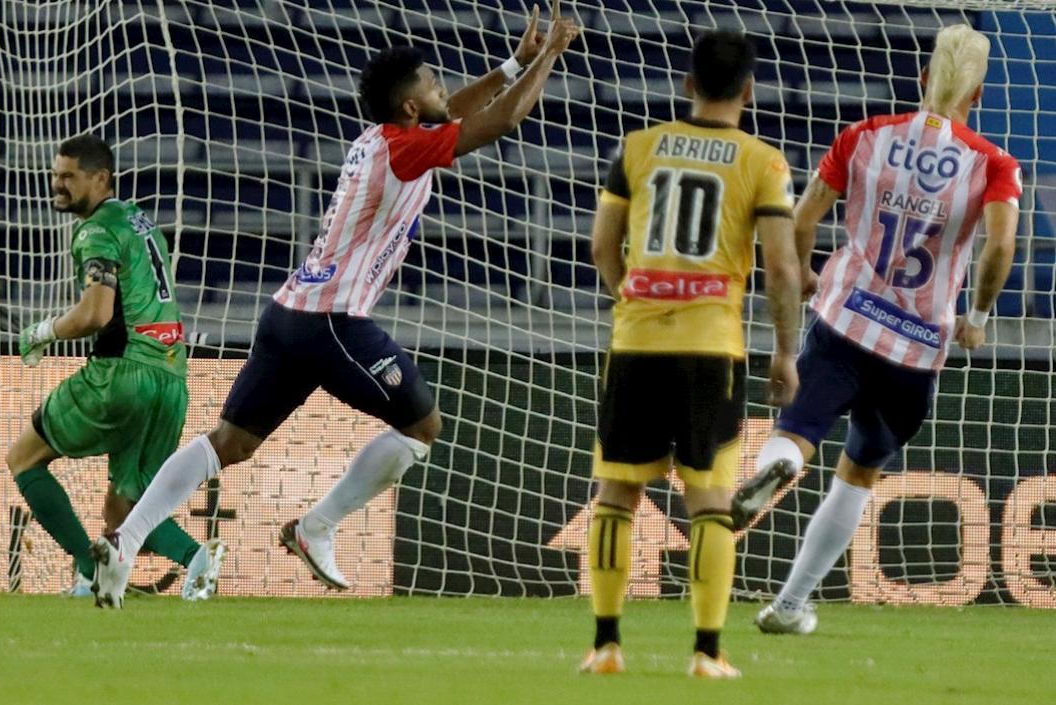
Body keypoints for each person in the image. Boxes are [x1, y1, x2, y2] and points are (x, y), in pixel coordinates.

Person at [90, 3, 582, 608]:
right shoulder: (403, 149)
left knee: (229, 443)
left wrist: (512, 65)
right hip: (334, 321)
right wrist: (550, 56)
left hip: (287, 313)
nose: (442, 89)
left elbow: (455, 111)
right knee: (423, 427)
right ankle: (316, 526)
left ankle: (125, 541)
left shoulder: (380, 138)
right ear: (410, 107)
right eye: (432, 83)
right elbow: (500, 122)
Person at [730, 24, 1021, 634]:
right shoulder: (993, 164)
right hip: (915, 349)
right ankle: (790, 605)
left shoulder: (865, 135)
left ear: (923, 78)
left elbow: (802, 217)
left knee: (798, 429)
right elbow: (1000, 245)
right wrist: (977, 318)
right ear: (978, 94)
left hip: (845, 322)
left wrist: (805, 272)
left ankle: (781, 462)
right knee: (859, 474)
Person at [580, 31, 803, 679]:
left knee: (616, 491)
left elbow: (602, 246)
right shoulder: (764, 162)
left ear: (688, 84)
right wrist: (786, 352)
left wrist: (633, 300)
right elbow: (782, 269)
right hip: (711, 346)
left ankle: (606, 644)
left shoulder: (637, 147)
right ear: (749, 90)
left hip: (638, 341)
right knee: (709, 497)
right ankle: (707, 651)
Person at [9, 134, 224, 600]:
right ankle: (197, 559)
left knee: (23, 458)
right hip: (171, 376)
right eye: (55, 175)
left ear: (101, 178)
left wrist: (42, 332)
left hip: (122, 375)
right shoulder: (141, 222)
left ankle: (88, 570)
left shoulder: (96, 231)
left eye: (69, 176)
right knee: (126, 508)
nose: (57, 185)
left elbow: (96, 313)